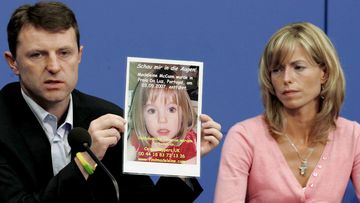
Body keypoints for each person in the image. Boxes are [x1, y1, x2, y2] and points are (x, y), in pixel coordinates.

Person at [0, 1, 223, 203]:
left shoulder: (106, 117)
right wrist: (86, 161)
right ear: (13, 62)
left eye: (64, 53)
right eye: (37, 55)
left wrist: (182, 162)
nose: (54, 66)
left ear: (79, 55)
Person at [214, 22, 360, 202]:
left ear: (324, 73)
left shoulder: (352, 136)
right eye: (277, 70)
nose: (286, 79)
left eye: (298, 67)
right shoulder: (244, 136)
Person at [127, 68, 198, 164]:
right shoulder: (137, 139)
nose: (162, 120)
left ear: (184, 112)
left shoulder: (189, 143)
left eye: (171, 109)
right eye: (152, 111)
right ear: (141, 116)